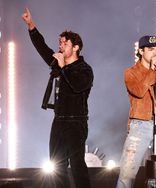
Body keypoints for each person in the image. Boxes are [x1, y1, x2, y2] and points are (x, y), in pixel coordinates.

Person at [22, 8, 93, 188]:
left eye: (65, 43)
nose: (60, 46)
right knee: (57, 165)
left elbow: (77, 86)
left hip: (76, 123)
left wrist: (63, 68)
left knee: (77, 165)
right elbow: (42, 47)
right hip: (59, 121)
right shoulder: (58, 64)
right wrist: (31, 25)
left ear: (75, 47)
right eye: (60, 43)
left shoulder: (84, 69)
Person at [116, 35, 156, 188]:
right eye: (150, 49)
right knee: (126, 175)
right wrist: (152, 72)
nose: (155, 53)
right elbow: (139, 91)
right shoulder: (131, 72)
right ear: (141, 51)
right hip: (139, 126)